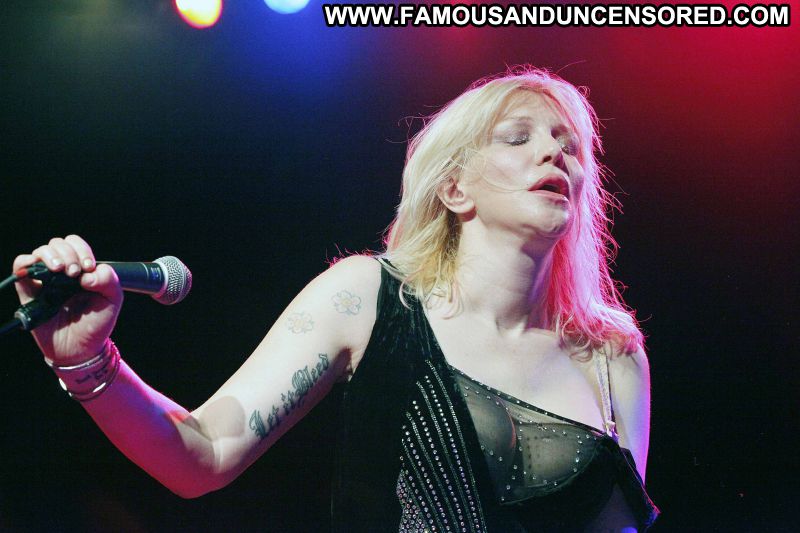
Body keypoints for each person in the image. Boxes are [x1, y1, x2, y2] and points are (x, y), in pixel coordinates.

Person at [13, 66, 659, 531]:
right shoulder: (366, 298)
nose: (554, 153)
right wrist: (87, 362)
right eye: (518, 137)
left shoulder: (612, 359)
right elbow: (202, 454)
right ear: (454, 189)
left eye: (570, 145)